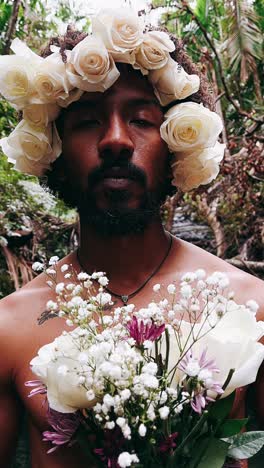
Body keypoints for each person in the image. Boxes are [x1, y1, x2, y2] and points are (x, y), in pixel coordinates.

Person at [0, 8, 263, 468]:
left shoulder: (250, 308)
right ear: (53, 152)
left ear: (177, 143)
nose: (115, 141)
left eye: (141, 119)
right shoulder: (10, 327)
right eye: (85, 122)